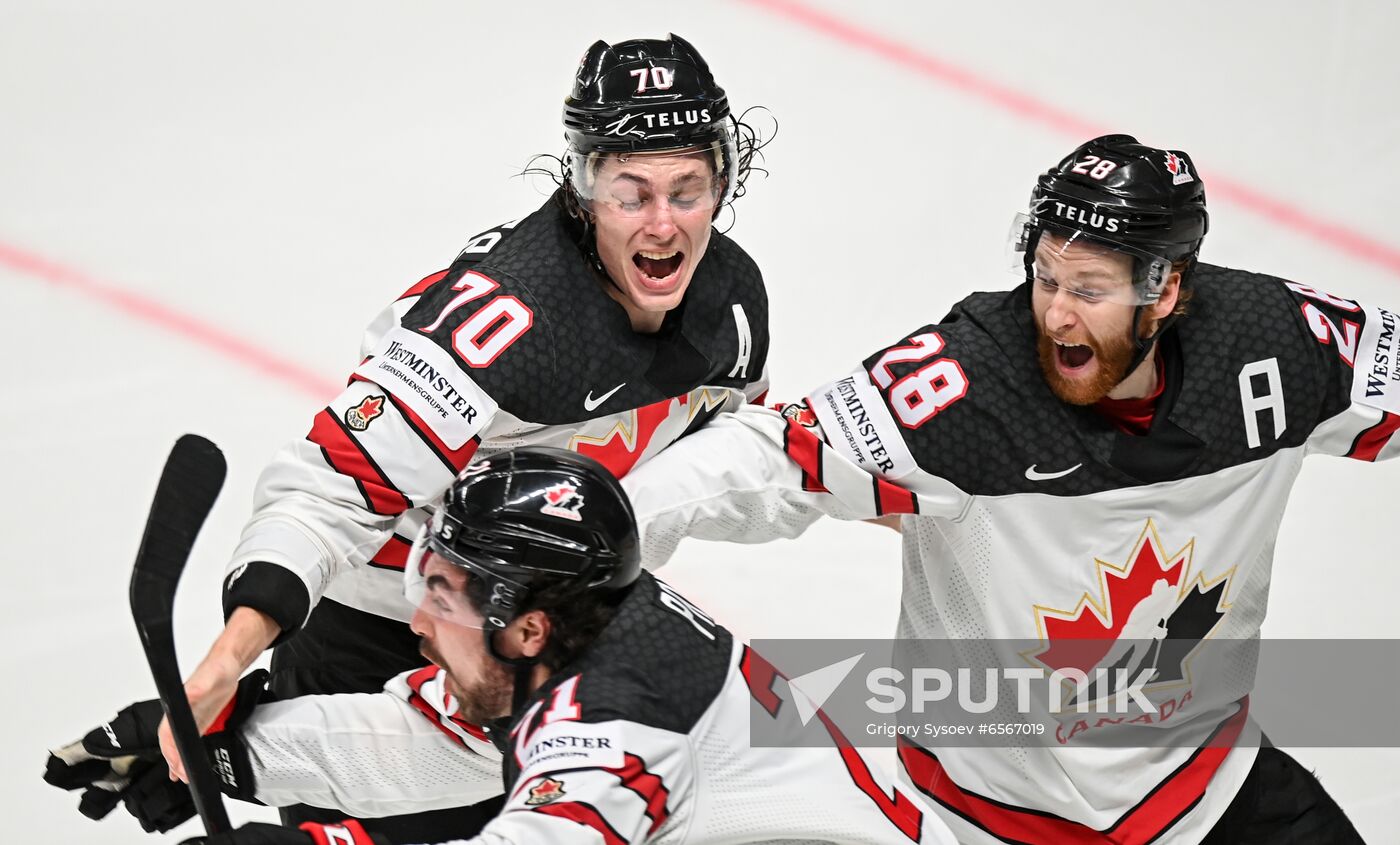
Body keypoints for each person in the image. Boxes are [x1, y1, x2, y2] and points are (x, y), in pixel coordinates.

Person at [48, 33, 771, 841]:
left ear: (723, 179)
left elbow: (725, 461)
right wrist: (224, 669)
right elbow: (329, 489)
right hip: (388, 629)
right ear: (581, 189)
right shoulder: (505, 320)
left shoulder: (734, 304)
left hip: (542, 632)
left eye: (687, 188)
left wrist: (872, 477)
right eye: (630, 192)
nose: (663, 224)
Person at [615, 135, 1379, 843]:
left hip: (1210, 788)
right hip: (983, 819)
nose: (1056, 313)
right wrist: (604, 525)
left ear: (1168, 289)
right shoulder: (968, 384)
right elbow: (771, 457)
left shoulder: (1276, 346)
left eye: (1089, 288)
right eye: (1046, 274)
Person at [49, 448, 958, 845]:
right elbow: (419, 745)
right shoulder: (570, 636)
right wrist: (214, 753)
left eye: (440, 592)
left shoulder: (619, 720)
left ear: (525, 621)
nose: (414, 619)